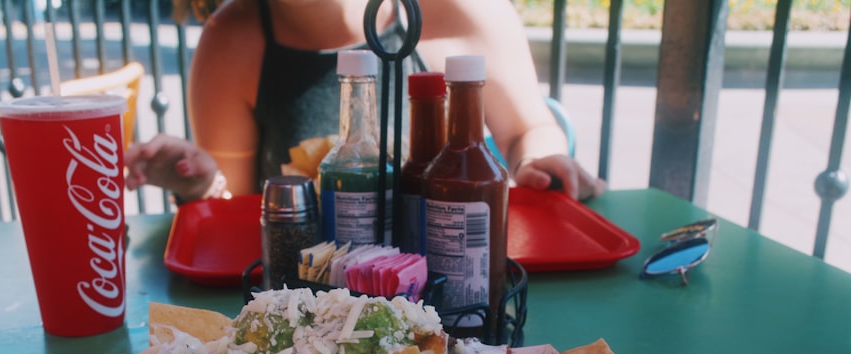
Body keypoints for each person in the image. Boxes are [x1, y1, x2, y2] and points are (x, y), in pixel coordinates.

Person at [126, 0, 605, 204]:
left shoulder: (463, 9)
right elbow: (242, 206)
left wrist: (540, 158)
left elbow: (528, 130)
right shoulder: (230, 40)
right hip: (311, 308)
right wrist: (200, 183)